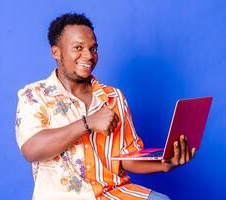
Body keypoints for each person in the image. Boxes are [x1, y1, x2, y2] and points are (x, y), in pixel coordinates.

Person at [15, 13, 195, 200]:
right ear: (56, 52)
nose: (88, 56)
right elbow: (31, 150)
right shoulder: (34, 94)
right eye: (78, 48)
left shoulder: (114, 97)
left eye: (93, 49)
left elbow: (126, 158)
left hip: (112, 193)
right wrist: (88, 123)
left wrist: (164, 165)